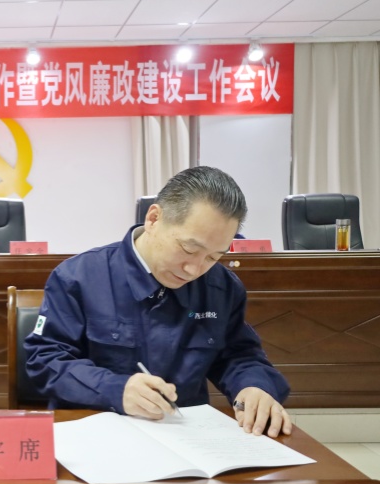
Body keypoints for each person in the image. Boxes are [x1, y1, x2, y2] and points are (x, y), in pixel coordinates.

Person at [24, 166, 292, 438]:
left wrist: (254, 387)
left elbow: (239, 355)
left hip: (186, 437)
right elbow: (45, 361)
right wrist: (115, 389)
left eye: (213, 257)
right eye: (189, 248)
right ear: (153, 219)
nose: (195, 269)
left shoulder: (221, 287)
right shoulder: (78, 277)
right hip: (96, 432)